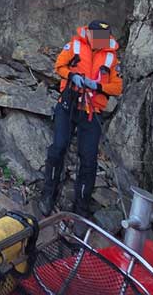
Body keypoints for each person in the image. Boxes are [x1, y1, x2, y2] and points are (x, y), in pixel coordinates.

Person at [38, 20, 123, 217]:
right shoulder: (75, 45)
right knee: (58, 147)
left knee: (89, 159)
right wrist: (72, 75)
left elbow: (117, 87)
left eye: (104, 38)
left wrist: (97, 86)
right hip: (68, 105)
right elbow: (59, 66)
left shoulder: (111, 57)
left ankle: (81, 208)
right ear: (89, 34)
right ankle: (48, 194)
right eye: (97, 37)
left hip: (91, 112)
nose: (101, 41)